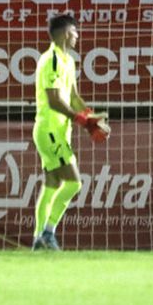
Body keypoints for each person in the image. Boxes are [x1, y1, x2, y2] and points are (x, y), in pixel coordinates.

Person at [31, 13, 111, 250]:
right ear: (66, 33)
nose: (77, 36)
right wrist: (82, 121)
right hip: (50, 130)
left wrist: (90, 117)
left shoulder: (68, 60)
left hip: (57, 131)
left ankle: (38, 239)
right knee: (74, 183)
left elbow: (73, 97)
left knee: (52, 184)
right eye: (75, 32)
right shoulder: (52, 60)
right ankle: (48, 233)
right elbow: (54, 100)